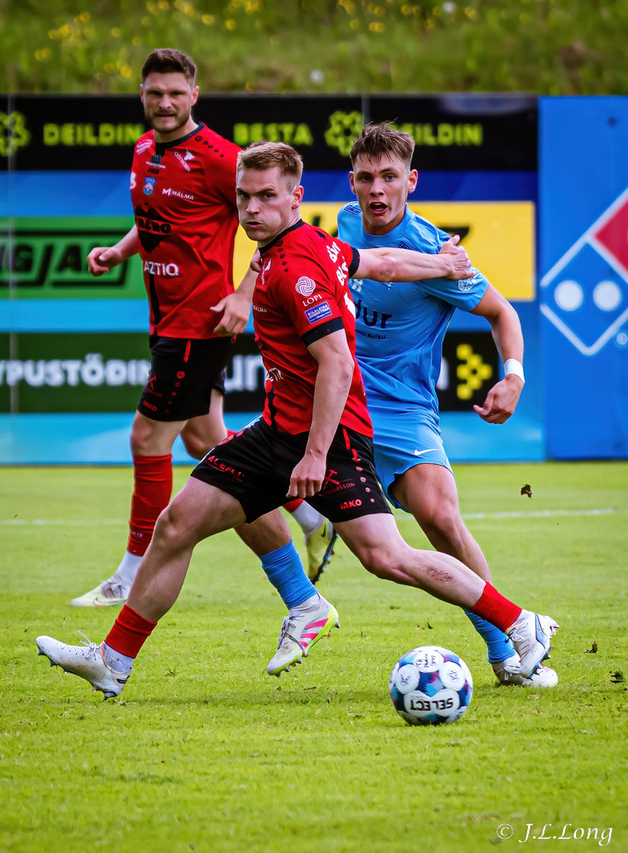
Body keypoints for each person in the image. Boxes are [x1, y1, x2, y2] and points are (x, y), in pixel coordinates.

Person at [36, 141, 558, 699]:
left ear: (295, 199)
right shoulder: (319, 239)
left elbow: (337, 363)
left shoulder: (296, 270)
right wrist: (439, 264)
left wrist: (314, 454)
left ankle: (516, 625)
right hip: (276, 431)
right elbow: (380, 264)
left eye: (266, 197)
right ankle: (114, 660)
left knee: (390, 555)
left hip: (331, 439)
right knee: (177, 524)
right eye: (243, 197)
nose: (251, 208)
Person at [70, 47, 336, 608]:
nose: (165, 103)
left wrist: (244, 294)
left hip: (200, 323)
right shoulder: (144, 148)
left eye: (176, 93)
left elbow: (280, 227)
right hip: (166, 319)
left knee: (147, 439)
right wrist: (119, 252)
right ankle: (312, 525)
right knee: (207, 443)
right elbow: (155, 221)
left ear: (194, 95)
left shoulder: (221, 158)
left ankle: (130, 572)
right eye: (155, 93)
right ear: (142, 95)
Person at [335, 121, 556, 687]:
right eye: (365, 177)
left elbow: (503, 313)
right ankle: (306, 556)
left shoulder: (438, 254)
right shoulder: (344, 223)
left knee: (440, 520)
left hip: (402, 408)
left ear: (411, 181)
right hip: (337, 398)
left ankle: (508, 649)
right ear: (352, 182)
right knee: (246, 476)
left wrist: (513, 376)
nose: (376, 189)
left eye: (389, 177)